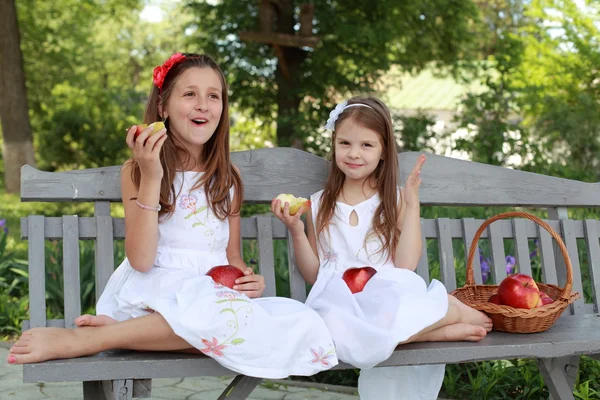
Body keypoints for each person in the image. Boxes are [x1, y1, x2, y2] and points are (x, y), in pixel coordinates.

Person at [8, 53, 338, 379]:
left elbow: (232, 256)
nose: (203, 105)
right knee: (232, 325)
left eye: (213, 96)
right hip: (155, 290)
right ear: (163, 107)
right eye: (190, 94)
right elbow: (140, 260)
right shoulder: (138, 171)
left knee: (301, 321)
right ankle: (89, 339)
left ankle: (129, 335)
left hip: (213, 299)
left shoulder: (228, 177)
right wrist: (152, 176)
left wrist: (248, 279)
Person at [271, 96, 492, 398]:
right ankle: (435, 331)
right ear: (334, 144)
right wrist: (296, 230)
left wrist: (412, 205)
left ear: (384, 150)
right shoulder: (320, 201)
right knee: (325, 331)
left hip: (385, 296)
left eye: (366, 145)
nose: (354, 154)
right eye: (345, 143)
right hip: (341, 303)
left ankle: (423, 326)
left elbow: (405, 266)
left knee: (383, 318)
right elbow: (314, 274)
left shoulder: (394, 199)